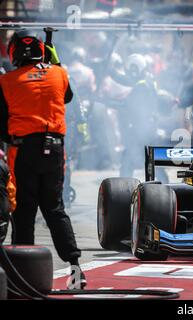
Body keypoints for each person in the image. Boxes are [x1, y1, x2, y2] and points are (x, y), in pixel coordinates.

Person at [0, 30, 86, 289]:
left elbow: (2, 126)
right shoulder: (58, 73)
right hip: (55, 150)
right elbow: (68, 97)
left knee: (24, 211)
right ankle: (76, 271)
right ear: (42, 50)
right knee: (55, 209)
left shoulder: (6, 82)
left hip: (23, 151)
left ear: (14, 53)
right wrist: (55, 62)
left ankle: (24, 277)